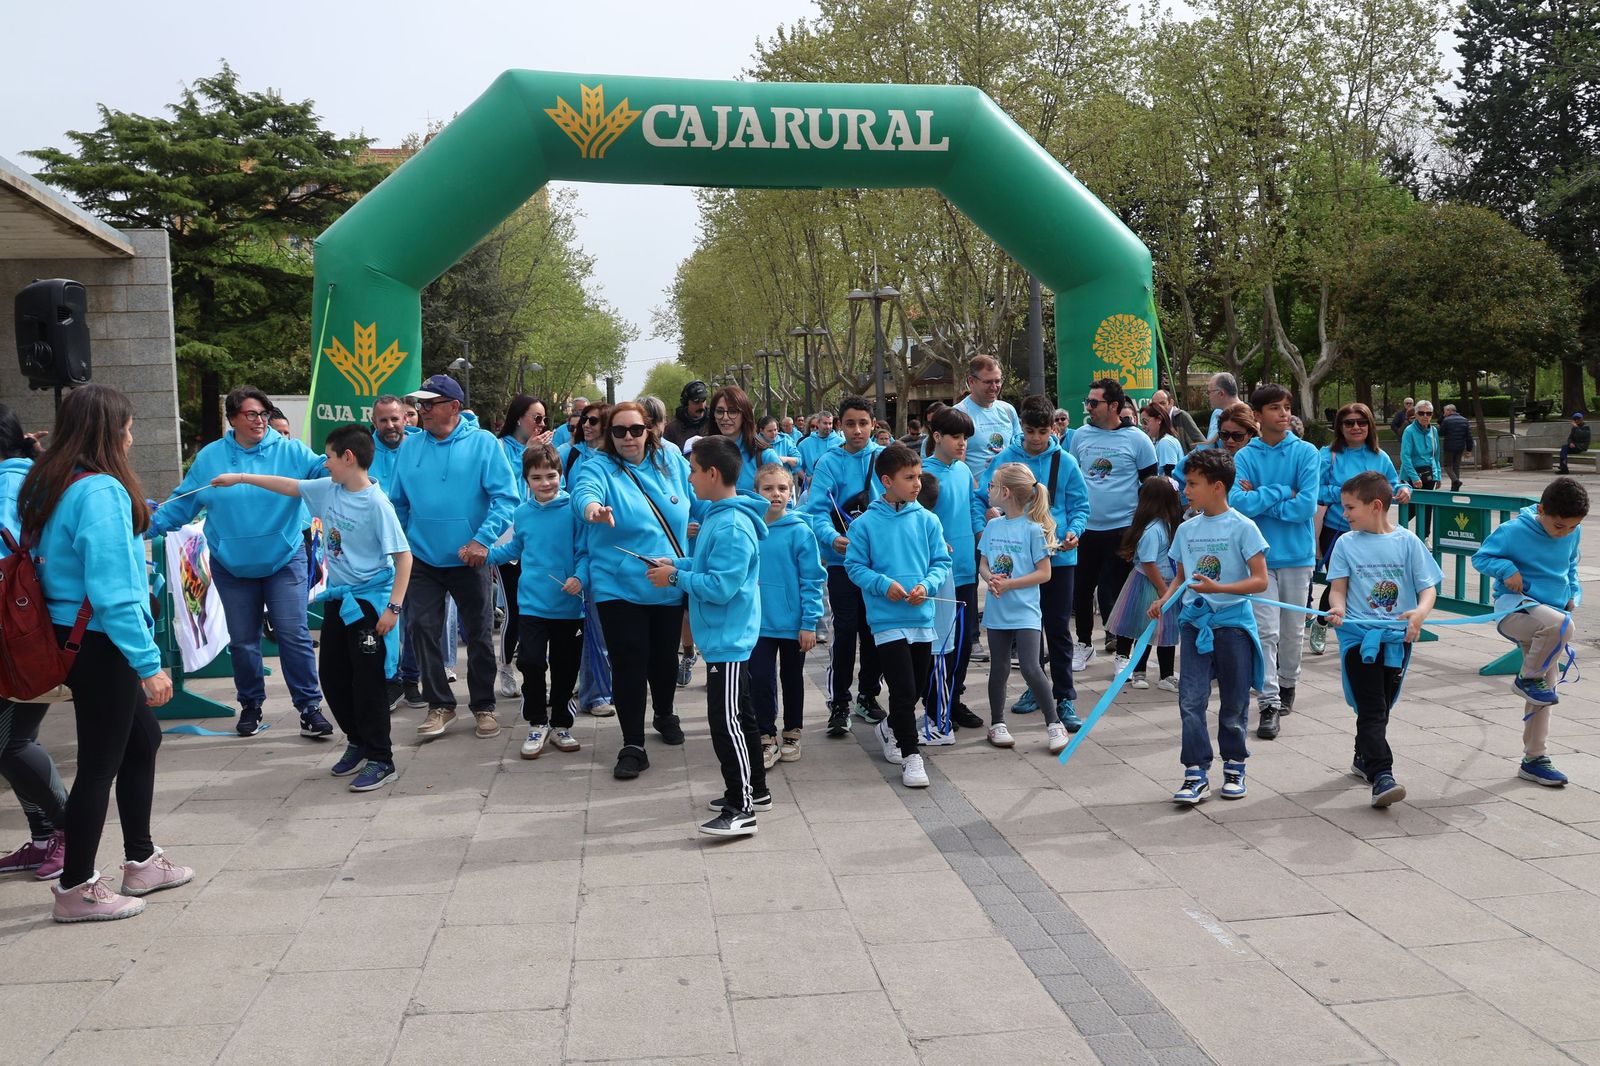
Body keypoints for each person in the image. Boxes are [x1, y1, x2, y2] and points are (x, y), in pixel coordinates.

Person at [19, 385, 190, 922]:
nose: (133, 436)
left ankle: (140, 859)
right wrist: (149, 665)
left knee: (144, 740)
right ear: (109, 431)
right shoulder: (101, 492)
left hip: (74, 637)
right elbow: (115, 591)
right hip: (100, 643)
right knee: (100, 765)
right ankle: (76, 888)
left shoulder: (51, 479)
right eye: (129, 425)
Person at [211, 424, 414, 792]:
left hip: (369, 604)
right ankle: (357, 740)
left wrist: (393, 609)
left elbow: (403, 557)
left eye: (330, 457)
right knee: (334, 678)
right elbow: (289, 486)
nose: (325, 463)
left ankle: (382, 759)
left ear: (348, 458)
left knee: (368, 684)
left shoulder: (376, 503)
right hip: (339, 599)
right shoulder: (329, 489)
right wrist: (239, 477)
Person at [149, 385, 331, 739]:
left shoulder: (291, 451)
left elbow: (329, 475)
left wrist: (359, 474)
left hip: (285, 558)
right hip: (231, 565)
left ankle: (309, 707)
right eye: (251, 414)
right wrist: (143, 523)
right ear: (232, 419)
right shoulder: (210, 458)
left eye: (264, 414)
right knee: (243, 641)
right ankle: (251, 706)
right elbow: (181, 504)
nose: (260, 421)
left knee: (293, 634)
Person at [645, 437, 769, 836]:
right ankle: (756, 790)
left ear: (713, 474)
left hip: (728, 638)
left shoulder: (731, 524)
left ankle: (741, 805)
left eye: (694, 471)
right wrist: (675, 563)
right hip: (724, 636)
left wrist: (675, 577)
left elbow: (721, 586)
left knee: (726, 722)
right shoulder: (721, 514)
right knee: (741, 717)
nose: (690, 478)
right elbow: (707, 563)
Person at [388, 374, 520, 741]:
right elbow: (398, 502)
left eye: (429, 404)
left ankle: (483, 706)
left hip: (470, 558)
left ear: (454, 407)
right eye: (420, 404)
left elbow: (506, 499)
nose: (422, 410)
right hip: (422, 560)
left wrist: (481, 540)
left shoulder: (484, 444)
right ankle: (440, 705)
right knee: (421, 630)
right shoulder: (410, 447)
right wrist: (401, 547)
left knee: (478, 634)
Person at [574, 402, 697, 779]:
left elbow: (702, 494)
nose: (628, 437)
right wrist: (593, 508)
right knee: (629, 660)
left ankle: (664, 712)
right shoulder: (597, 465)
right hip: (617, 583)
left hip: (668, 577)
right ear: (608, 434)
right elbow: (584, 492)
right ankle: (632, 744)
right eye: (619, 431)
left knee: (662, 658)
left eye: (636, 430)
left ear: (650, 430)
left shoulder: (672, 460)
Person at [1150, 448, 1269, 804]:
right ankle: (1195, 772)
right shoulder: (1187, 529)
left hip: (1232, 625)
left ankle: (1234, 765)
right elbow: (1182, 578)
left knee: (1233, 701)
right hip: (1194, 625)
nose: (1185, 490)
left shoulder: (1243, 527)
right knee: (1191, 701)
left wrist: (1221, 589)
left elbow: (1260, 580)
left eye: (1192, 484)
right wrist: (1164, 600)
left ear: (1217, 487)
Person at [1325, 471, 1441, 807]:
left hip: (1397, 639)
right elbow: (1338, 590)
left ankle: (1363, 757)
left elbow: (1428, 589)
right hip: (1359, 640)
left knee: (1383, 705)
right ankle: (1382, 774)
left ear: (1376, 506)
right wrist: (1338, 611)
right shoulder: (1345, 543)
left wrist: (1419, 614)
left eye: (1350, 508)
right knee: (1374, 707)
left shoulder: (1408, 543)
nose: (1344, 514)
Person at [844, 444, 952, 789]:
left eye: (918, 476)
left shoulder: (928, 520)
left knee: (918, 686)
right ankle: (911, 756)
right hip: (886, 620)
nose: (917, 483)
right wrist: (882, 584)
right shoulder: (865, 525)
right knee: (903, 689)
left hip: (922, 617)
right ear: (887, 481)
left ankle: (889, 728)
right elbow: (854, 566)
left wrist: (926, 583)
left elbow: (941, 562)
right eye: (909, 478)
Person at [1471, 476, 1587, 787]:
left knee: (1546, 692)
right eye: (1559, 526)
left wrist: (1573, 592)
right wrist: (1508, 570)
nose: (1564, 533)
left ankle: (1534, 758)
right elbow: (1481, 558)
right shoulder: (1513, 530)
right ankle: (1526, 677)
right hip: (1515, 609)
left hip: (1551, 618)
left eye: (1572, 527)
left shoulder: (1572, 532)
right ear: (1542, 510)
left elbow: (1571, 567)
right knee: (1561, 628)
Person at [986, 396, 1091, 725]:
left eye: (1042, 431)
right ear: (1022, 428)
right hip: (1017, 563)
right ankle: (1036, 685)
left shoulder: (1066, 461)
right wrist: (987, 527)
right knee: (1025, 631)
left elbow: (1080, 507)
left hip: (1058, 559)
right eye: (1030, 431)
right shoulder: (1006, 460)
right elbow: (983, 497)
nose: (1035, 438)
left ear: (1054, 428)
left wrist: (1073, 532)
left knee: (1058, 628)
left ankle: (1064, 697)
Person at [0, 405, 68, 882]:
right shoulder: (32, 474)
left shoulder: (9, 485)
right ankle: (46, 836)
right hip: (30, 630)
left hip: (20, 633)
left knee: (11, 742)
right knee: (14, 740)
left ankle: (69, 831)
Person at [1228, 384, 1320, 739]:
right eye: (1275, 408)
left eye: (1286, 407)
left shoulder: (1306, 452)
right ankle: (1269, 701)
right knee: (1265, 631)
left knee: (1292, 631)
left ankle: (1288, 684)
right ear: (1258, 414)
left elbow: (1306, 507)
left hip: (1297, 555)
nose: (1283, 414)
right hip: (1259, 557)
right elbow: (1239, 503)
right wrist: (1283, 491)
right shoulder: (1245, 456)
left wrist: (1262, 499)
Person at [486, 443, 586, 760]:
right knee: (530, 662)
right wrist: (484, 554)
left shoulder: (574, 510)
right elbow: (515, 548)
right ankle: (536, 721)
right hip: (531, 605)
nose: (545, 483)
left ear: (562, 476)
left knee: (566, 667)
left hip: (569, 606)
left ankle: (560, 723)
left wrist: (580, 578)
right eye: (537, 477)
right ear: (526, 480)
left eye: (551, 475)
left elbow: (585, 552)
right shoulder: (523, 513)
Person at [804, 396, 886, 734]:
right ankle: (839, 702)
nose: (857, 430)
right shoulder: (828, 462)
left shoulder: (884, 459)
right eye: (850, 423)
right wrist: (830, 537)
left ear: (873, 425)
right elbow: (815, 511)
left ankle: (868, 695)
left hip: (878, 563)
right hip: (840, 563)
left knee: (873, 630)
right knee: (846, 629)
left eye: (863, 423)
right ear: (839, 425)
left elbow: (901, 502)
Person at [979, 462, 1070, 754]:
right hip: (997, 610)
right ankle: (997, 723)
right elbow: (983, 562)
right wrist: (989, 577)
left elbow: (1044, 573)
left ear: (1005, 492)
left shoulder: (1033, 530)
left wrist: (1010, 584)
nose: (988, 490)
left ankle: (1054, 723)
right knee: (999, 667)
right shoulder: (992, 525)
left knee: (1031, 667)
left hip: (1026, 611)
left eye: (992, 485)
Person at [1069, 377, 1159, 673]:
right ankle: (1084, 644)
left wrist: (1145, 528)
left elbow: (1151, 487)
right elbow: (1071, 481)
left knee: (1123, 592)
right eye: (1088, 401)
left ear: (1115, 406)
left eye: (1094, 403)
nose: (1089, 407)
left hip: (1123, 530)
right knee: (1081, 590)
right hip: (1085, 529)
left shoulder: (1138, 439)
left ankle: (1123, 653)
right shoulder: (1079, 436)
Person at [1307, 403, 1409, 655]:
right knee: (1339, 581)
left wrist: (1405, 490)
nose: (1355, 427)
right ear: (1339, 427)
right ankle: (1321, 622)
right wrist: (1349, 496)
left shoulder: (1380, 456)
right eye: (1349, 422)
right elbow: (1314, 490)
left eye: (1361, 422)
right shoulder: (1327, 454)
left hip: (1374, 530)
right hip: (1338, 528)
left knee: (1367, 580)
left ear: (1369, 425)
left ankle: (1361, 629)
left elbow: (1392, 485)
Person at [918, 407, 989, 736]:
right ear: (937, 437)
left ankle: (954, 699)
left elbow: (972, 509)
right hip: (937, 577)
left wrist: (983, 539)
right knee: (940, 647)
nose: (962, 444)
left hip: (966, 570)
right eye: (956, 437)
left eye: (965, 438)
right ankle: (934, 705)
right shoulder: (923, 476)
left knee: (962, 645)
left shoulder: (963, 471)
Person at [749, 463, 825, 766]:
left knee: (792, 678)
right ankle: (766, 736)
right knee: (760, 680)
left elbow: (812, 580)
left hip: (794, 625)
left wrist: (809, 623)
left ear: (791, 492)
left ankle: (793, 732)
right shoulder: (750, 527)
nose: (775, 494)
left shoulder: (801, 532)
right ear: (756, 492)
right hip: (758, 623)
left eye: (782, 488)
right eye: (768, 488)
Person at [493, 396, 553, 699]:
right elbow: (503, 487)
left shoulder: (540, 450)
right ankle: (505, 667)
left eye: (544, 419)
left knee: (539, 608)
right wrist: (527, 454)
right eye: (536, 418)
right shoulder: (499, 448)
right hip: (508, 540)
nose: (541, 425)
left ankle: (536, 664)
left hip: (538, 538)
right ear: (519, 418)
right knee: (514, 609)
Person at [368, 395, 424, 708]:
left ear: (405, 418)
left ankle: (411, 677)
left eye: (395, 419)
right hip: (375, 550)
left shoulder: (419, 445)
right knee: (383, 618)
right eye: (383, 420)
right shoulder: (363, 451)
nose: (390, 426)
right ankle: (389, 679)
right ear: (373, 422)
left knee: (414, 618)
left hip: (413, 546)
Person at [1108, 477, 1183, 691]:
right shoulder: (1154, 530)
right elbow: (1148, 562)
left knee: (1166, 631)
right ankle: (1138, 672)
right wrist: (1163, 590)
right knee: (1146, 629)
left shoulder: (1165, 525)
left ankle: (1166, 675)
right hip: (1151, 584)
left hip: (1164, 584)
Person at [955, 354, 1022, 485]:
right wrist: (979, 496)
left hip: (1008, 497)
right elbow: (957, 465)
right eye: (988, 382)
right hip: (976, 498)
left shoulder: (1008, 410)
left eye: (997, 381)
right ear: (971, 382)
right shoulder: (959, 413)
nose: (994, 387)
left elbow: (1019, 451)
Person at [708, 385, 781, 494]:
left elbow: (783, 503)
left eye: (732, 411)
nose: (725, 417)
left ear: (744, 415)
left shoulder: (766, 456)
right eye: (720, 411)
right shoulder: (704, 455)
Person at [664, 380, 711, 448]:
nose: (701, 406)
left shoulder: (713, 423)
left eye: (703, 401)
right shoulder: (672, 430)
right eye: (696, 402)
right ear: (686, 403)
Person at [1143, 402, 1185, 478]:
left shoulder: (1165, 442)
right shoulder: (1161, 441)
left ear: (1159, 419)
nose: (1143, 426)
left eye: (1145, 422)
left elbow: (1170, 478)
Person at [1438, 403, 1474, 490]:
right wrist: (1469, 449)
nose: (1444, 413)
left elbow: (1440, 433)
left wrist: (1442, 419)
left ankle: (1456, 481)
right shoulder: (1464, 420)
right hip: (1460, 447)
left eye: (1445, 411)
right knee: (1456, 467)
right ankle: (1455, 488)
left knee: (1447, 466)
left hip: (1449, 447)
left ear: (1449, 411)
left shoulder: (1447, 420)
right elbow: (1469, 436)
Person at [797, 410, 841, 476]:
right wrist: (806, 479)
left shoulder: (841, 442)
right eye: (825, 423)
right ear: (818, 423)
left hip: (837, 484)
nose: (828, 427)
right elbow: (797, 466)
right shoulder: (804, 444)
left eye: (830, 423)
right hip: (814, 484)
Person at [1204, 373, 1240, 443]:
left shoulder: (1247, 416)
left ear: (1221, 394)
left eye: (1209, 392)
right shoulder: (1216, 413)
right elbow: (1209, 445)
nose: (1208, 396)